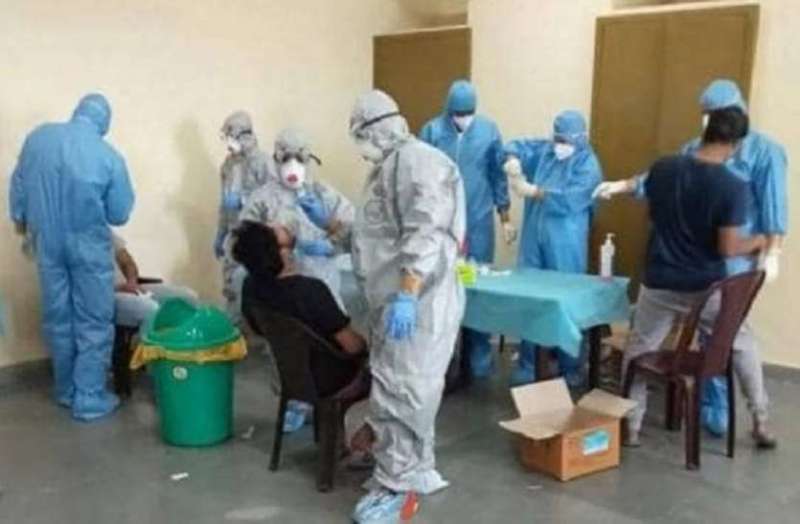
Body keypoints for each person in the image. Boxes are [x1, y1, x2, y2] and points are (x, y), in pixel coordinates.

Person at [300, 90, 466, 523]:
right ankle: (408, 468)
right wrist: (328, 223)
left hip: (419, 302)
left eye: (359, 135)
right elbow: (375, 236)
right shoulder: (387, 168)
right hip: (394, 300)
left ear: (377, 128)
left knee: (405, 390)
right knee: (397, 387)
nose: (359, 145)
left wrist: (408, 293)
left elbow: (425, 233)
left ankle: (398, 486)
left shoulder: (419, 163)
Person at [595, 78, 788, 438]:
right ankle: (760, 418)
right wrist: (762, 242)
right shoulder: (731, 186)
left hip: (660, 281)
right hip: (709, 284)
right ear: (734, 142)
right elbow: (728, 247)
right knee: (737, 342)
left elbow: (653, 191)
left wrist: (774, 249)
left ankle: (631, 426)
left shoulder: (668, 166)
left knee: (639, 349)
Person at [8, 93, 135, 421]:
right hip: (87, 245)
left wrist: (22, 218)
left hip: (46, 242)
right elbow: (119, 213)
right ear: (104, 121)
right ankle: (89, 397)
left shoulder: (38, 139)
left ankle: (66, 389)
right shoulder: (108, 157)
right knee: (94, 320)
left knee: (58, 317)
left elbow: (17, 188)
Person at [420, 79, 514, 379]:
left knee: (473, 287)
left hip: (477, 224)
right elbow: (419, 176)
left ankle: (478, 357)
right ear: (449, 110)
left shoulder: (488, 131)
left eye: (467, 113)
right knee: (440, 289)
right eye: (458, 114)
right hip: (442, 225)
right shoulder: (433, 131)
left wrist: (505, 217)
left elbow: (498, 175)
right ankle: (443, 358)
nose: (463, 119)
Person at [502, 110, 603, 386]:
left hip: (566, 243)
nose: (559, 145)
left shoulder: (588, 165)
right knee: (531, 299)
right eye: (557, 139)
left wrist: (535, 192)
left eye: (565, 141)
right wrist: (512, 159)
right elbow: (517, 145)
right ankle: (529, 363)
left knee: (565, 303)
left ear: (580, 138)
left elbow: (572, 199)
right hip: (533, 239)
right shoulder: (547, 151)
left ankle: (571, 366)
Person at [233, 221, 366, 398]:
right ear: (283, 253)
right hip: (331, 376)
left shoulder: (250, 287)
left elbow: (256, 329)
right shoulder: (310, 291)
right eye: (291, 242)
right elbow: (353, 346)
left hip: (289, 374)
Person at [240, 128, 354, 309]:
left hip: (324, 289)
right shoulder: (262, 199)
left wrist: (331, 245)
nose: (293, 165)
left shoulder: (324, 194)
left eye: (300, 158)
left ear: (309, 159)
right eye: (285, 158)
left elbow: (355, 233)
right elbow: (244, 241)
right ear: (276, 159)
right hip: (278, 292)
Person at [214, 111, 272, 324]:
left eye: (230, 135)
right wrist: (220, 234)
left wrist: (243, 200)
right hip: (234, 233)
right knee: (231, 284)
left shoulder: (264, 163)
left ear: (244, 134)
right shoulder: (228, 165)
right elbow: (224, 204)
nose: (228, 142)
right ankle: (234, 329)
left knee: (254, 287)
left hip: (258, 235)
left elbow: (273, 200)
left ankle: (258, 331)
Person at [111, 233, 198, 328]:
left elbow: (128, 262)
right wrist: (119, 288)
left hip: (130, 287)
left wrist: (132, 282)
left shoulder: (107, 233)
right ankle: (152, 337)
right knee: (150, 309)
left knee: (187, 297)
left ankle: (183, 335)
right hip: (107, 297)